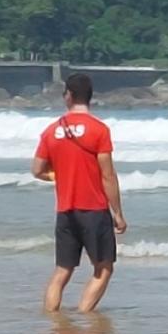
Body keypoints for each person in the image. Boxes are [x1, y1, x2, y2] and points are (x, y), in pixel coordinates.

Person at [32, 74, 126, 313]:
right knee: (103, 268)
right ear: (90, 97)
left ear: (68, 96)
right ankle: (85, 315)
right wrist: (118, 213)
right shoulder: (99, 130)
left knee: (63, 270)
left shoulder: (52, 131)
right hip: (94, 209)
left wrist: (59, 176)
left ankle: (52, 320)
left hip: (65, 210)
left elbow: (37, 170)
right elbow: (108, 175)